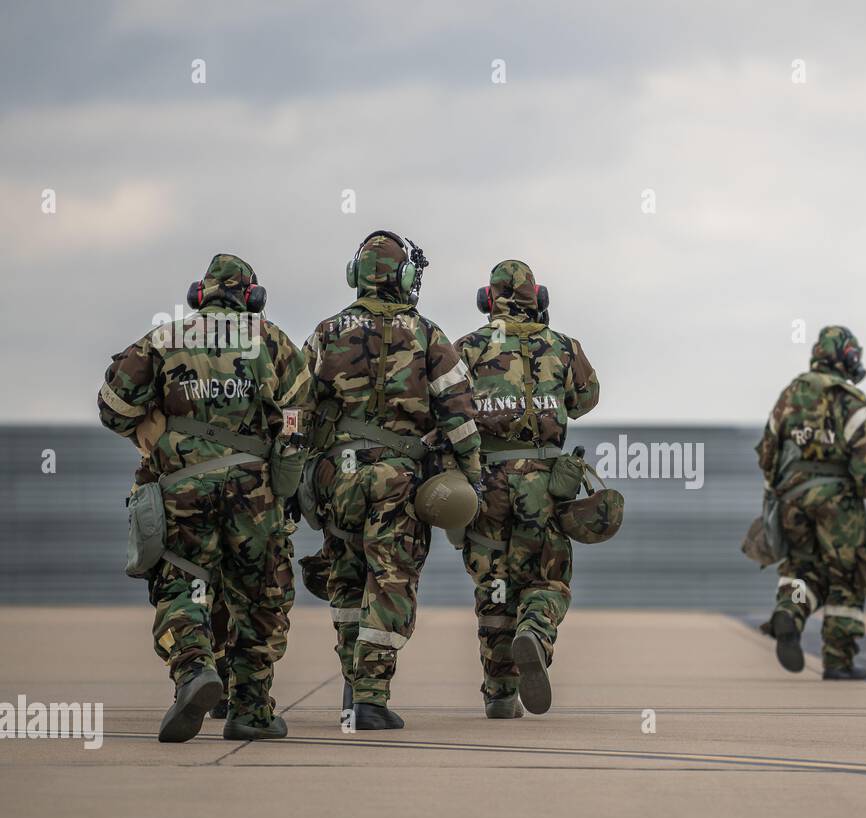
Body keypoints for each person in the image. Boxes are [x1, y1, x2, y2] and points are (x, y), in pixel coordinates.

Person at [98, 254, 306, 741]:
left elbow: (111, 406)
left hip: (181, 489)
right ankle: (252, 710)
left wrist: (150, 428)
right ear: (251, 296)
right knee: (261, 596)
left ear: (200, 294)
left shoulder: (165, 337)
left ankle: (194, 671)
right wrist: (286, 462)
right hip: (255, 494)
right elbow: (301, 412)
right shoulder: (269, 338)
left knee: (181, 585)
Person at [301, 230, 480, 730]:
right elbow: (460, 416)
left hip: (338, 478)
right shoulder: (427, 334)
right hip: (398, 479)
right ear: (404, 277)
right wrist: (472, 477)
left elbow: (294, 410)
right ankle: (370, 698)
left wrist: (293, 477)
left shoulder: (325, 333)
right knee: (391, 578)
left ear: (356, 274)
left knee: (345, 577)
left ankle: (349, 687)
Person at [454, 259, 600, 718]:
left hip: (486, 483)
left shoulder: (469, 348)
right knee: (547, 578)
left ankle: (499, 694)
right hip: (546, 486)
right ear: (540, 299)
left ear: (487, 300)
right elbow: (586, 399)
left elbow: (444, 407)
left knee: (494, 585)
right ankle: (535, 632)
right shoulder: (562, 346)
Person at [756, 325, 866, 680]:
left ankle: (789, 612)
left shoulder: (789, 395)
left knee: (805, 569)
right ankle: (838, 661)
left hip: (791, 500)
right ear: (844, 357)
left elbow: (768, 451)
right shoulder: (847, 399)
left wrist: (776, 496)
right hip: (838, 505)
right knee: (848, 577)